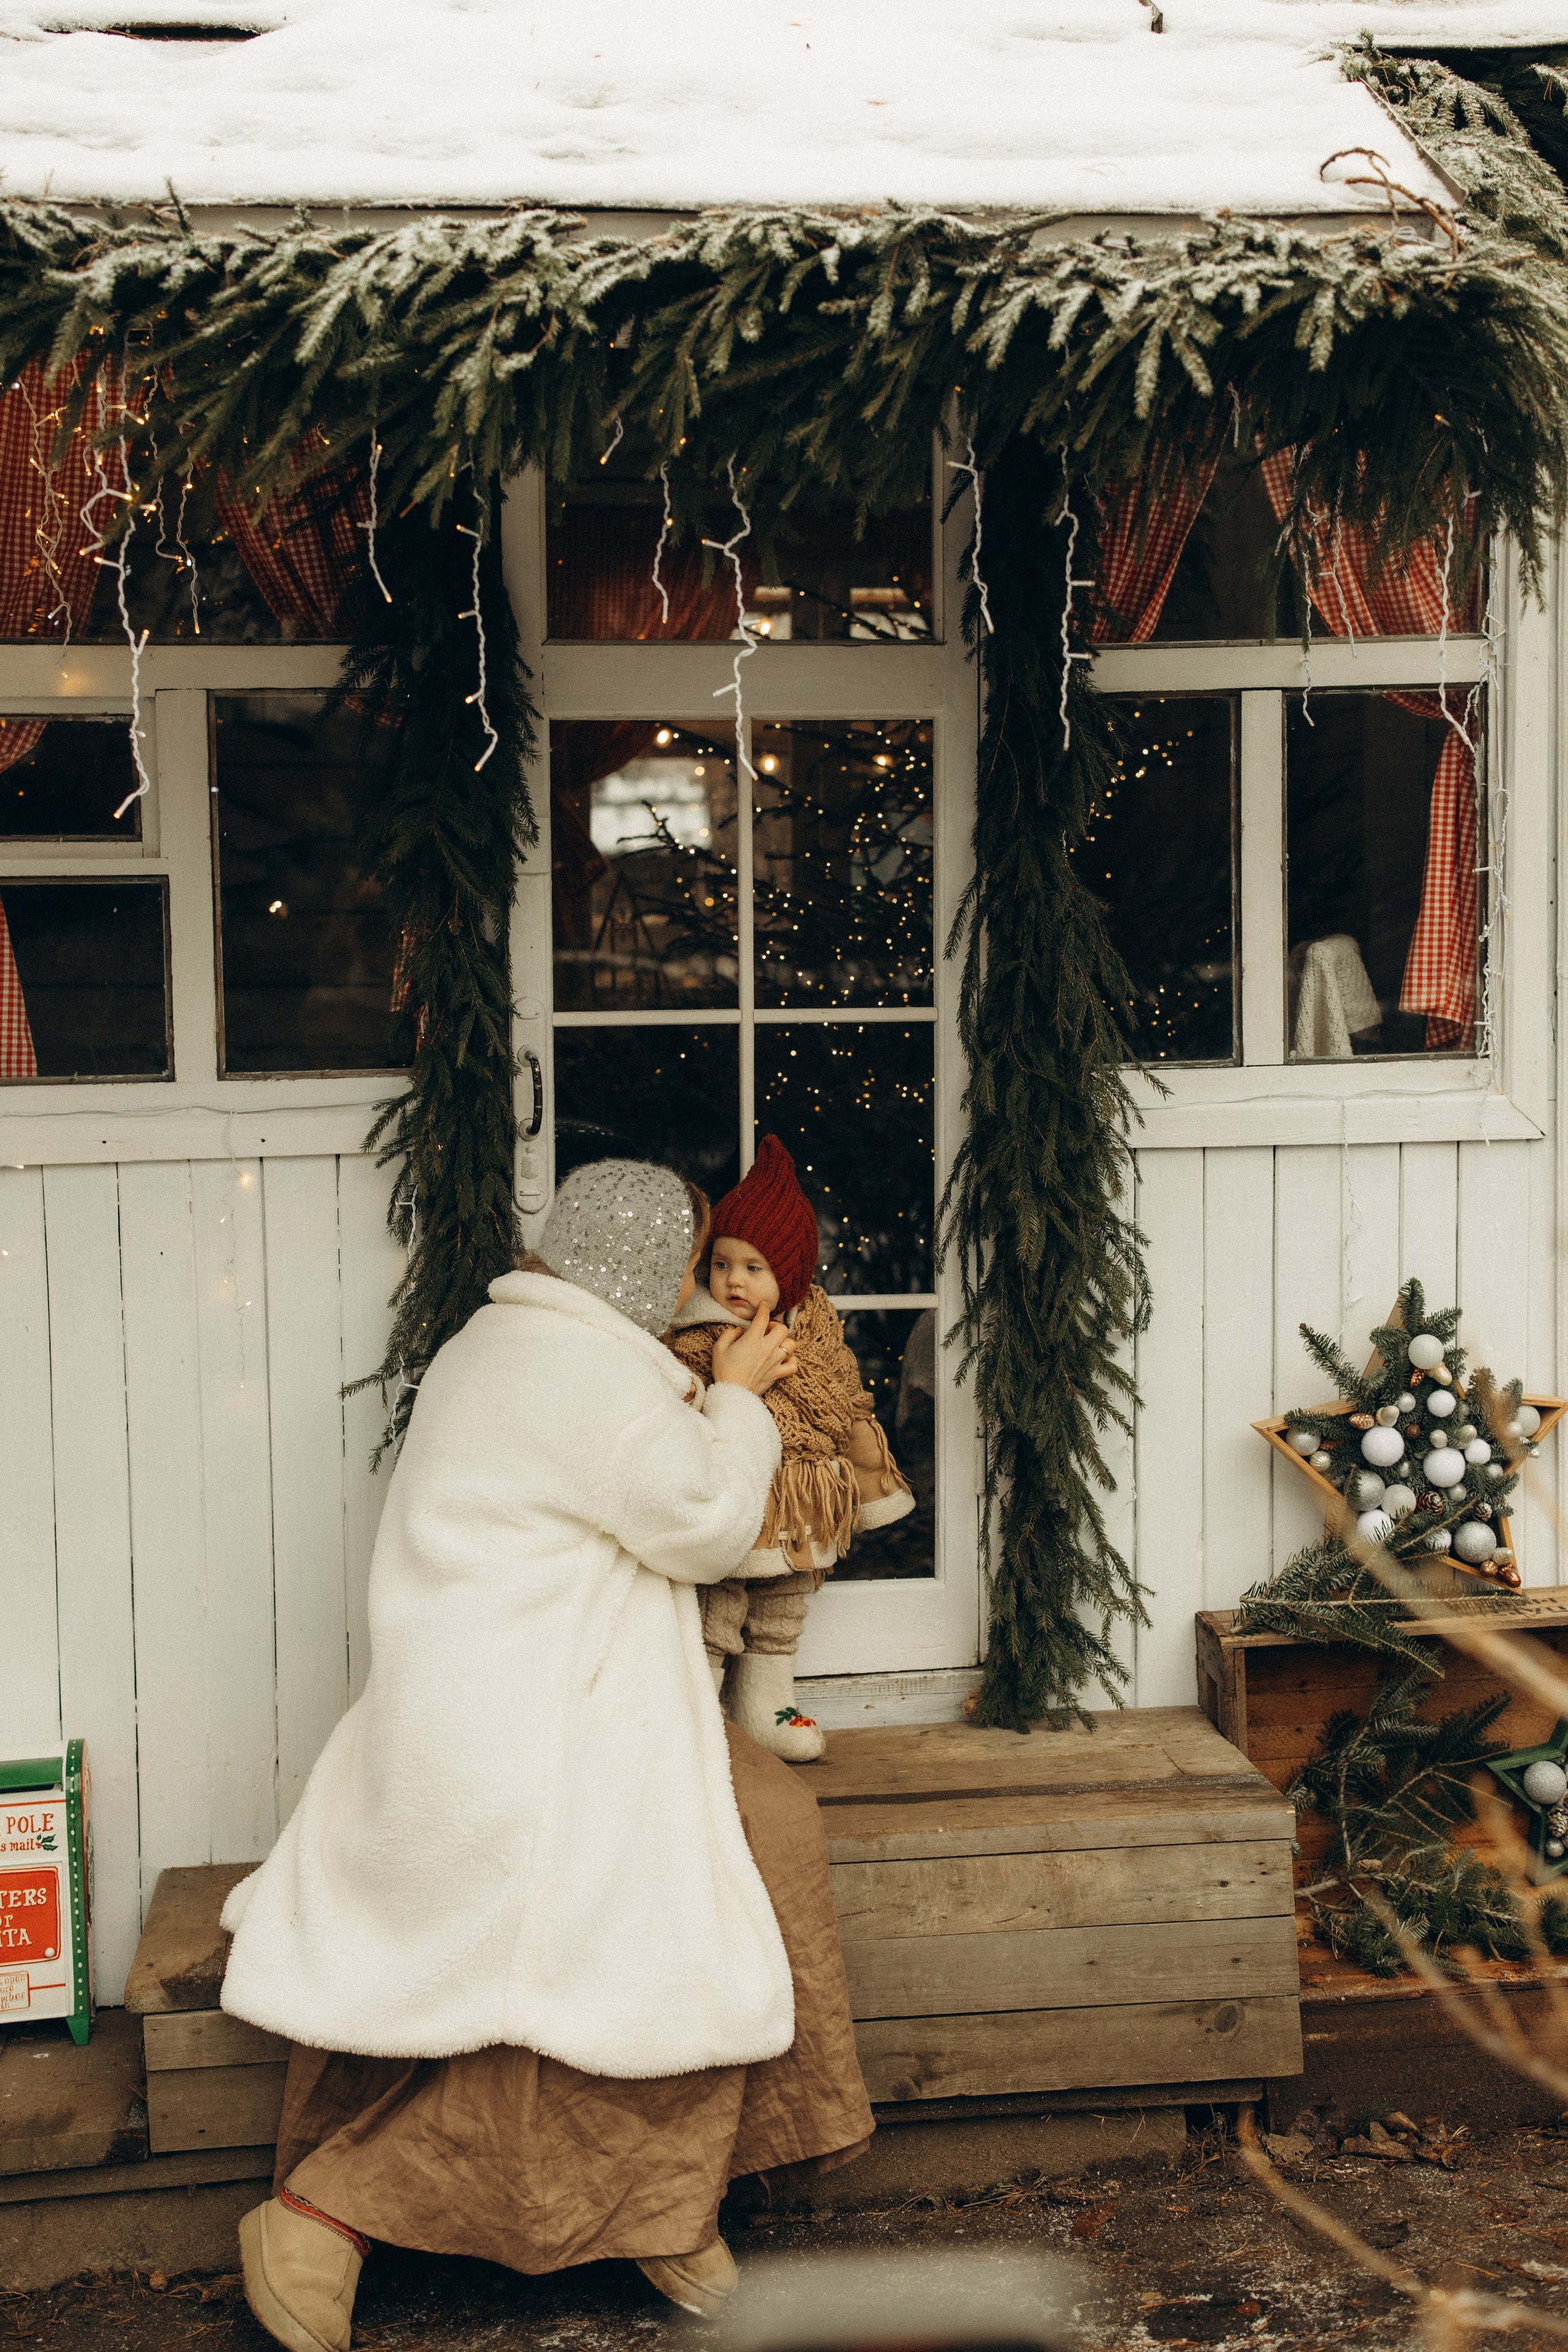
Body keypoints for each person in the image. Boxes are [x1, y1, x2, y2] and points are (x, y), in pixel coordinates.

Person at [220, 1160, 874, 2352]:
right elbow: (711, 1524)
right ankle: (334, 2216)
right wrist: (732, 1397)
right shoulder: (588, 1379)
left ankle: (678, 2199)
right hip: (528, 1747)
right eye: (687, 1265)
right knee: (663, 1902)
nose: (702, 1286)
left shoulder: (499, 1342)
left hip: (461, 1723)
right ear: (640, 1274)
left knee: (765, 1834)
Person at [666, 1136, 913, 1763]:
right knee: (713, 1612)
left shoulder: (817, 1326)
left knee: (782, 1610)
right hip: (738, 1504)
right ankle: (700, 1718)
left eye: (753, 1268)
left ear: (791, 1275)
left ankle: (766, 1712)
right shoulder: (695, 1336)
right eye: (721, 1264)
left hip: (800, 1502)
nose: (733, 1282)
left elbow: (847, 1403)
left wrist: (870, 1483)